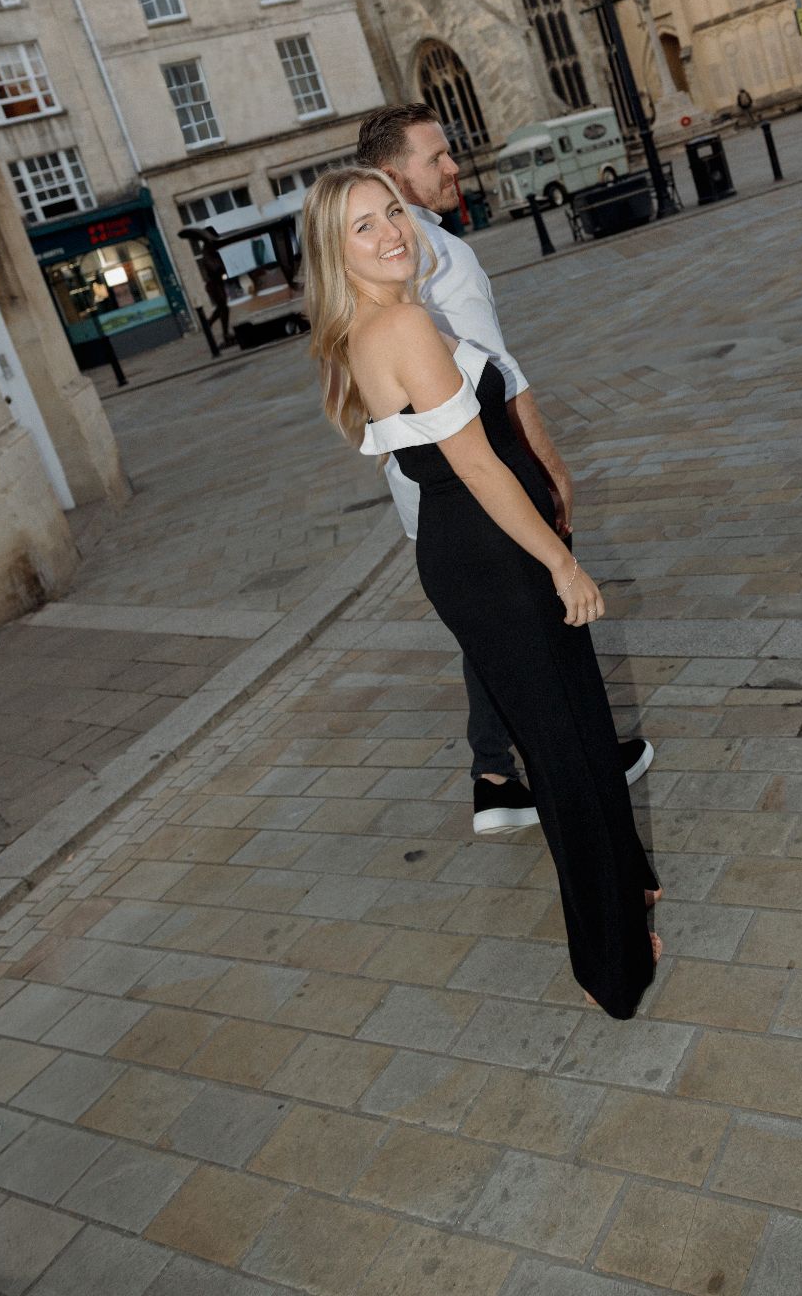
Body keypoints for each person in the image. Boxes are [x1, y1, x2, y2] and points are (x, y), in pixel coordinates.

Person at [302, 166, 660, 1017]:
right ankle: (608, 962)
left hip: (481, 550)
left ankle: (629, 884)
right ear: (333, 250)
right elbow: (472, 464)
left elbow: (408, 452)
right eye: (364, 226)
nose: (392, 231)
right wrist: (560, 562)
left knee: (577, 725)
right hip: (496, 558)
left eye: (393, 211)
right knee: (566, 751)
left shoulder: (372, 326)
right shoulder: (401, 326)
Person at [356, 104, 652, 837]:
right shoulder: (434, 253)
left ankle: (495, 771)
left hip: (425, 491)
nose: (455, 167)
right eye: (437, 158)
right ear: (393, 175)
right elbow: (499, 374)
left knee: (492, 625)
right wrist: (551, 472)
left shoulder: (362, 278)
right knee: (544, 620)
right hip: (485, 472)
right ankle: (566, 770)